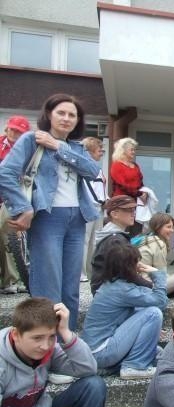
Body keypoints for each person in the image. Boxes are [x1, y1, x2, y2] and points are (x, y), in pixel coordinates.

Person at [0, 93, 100, 331]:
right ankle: (46, 342)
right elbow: (5, 174)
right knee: (48, 286)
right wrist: (23, 208)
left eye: (72, 115)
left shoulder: (76, 147)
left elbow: (93, 170)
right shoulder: (31, 140)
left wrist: (58, 146)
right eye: (61, 113)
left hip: (77, 219)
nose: (66, 118)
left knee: (71, 289)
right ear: (48, 114)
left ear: (77, 120)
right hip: (47, 218)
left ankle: (68, 339)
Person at [0, 297, 106, 407]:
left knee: (93, 386)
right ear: (16, 335)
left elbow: (88, 369)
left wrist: (65, 332)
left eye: (51, 336)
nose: (45, 346)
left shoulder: (48, 350)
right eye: (37, 338)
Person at [81, 244, 167, 379]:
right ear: (128, 267)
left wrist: (150, 328)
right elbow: (160, 301)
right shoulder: (122, 290)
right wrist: (157, 274)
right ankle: (135, 366)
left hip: (96, 352)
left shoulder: (114, 285)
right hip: (101, 352)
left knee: (157, 352)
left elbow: (148, 301)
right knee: (153, 314)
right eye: (136, 262)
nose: (139, 266)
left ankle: (118, 366)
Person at [90, 195, 151, 295]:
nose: (133, 213)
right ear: (114, 214)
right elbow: (128, 274)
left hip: (106, 290)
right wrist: (152, 286)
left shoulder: (112, 235)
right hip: (110, 293)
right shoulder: (115, 241)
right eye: (129, 210)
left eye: (134, 210)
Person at [0, 115, 30, 295]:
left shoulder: (27, 149)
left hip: (13, 198)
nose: (14, 133)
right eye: (12, 129)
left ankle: (12, 279)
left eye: (19, 131)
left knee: (8, 233)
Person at [80, 137, 107, 283]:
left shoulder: (97, 167)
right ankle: (81, 273)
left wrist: (105, 200)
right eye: (99, 150)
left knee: (95, 241)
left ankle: (91, 271)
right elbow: (88, 189)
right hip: (89, 207)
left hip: (99, 208)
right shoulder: (85, 167)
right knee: (84, 241)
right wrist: (101, 201)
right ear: (89, 151)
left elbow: (100, 189)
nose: (102, 152)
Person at [133, 212, 174, 293]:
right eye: (168, 227)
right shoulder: (159, 243)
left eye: (172, 227)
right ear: (158, 227)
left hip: (135, 284)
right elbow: (161, 273)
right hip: (148, 287)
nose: (172, 230)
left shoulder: (145, 238)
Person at [109, 137, 146, 235]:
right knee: (121, 230)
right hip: (121, 203)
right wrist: (139, 194)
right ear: (123, 150)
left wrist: (145, 192)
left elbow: (140, 182)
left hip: (135, 203)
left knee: (136, 231)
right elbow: (122, 185)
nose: (134, 152)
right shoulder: (117, 165)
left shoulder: (135, 166)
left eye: (134, 150)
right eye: (131, 149)